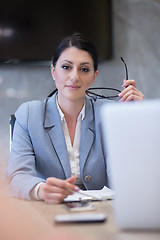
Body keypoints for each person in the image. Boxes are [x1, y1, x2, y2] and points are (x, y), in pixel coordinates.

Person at [6, 33, 144, 204]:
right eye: (66, 67)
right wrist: (40, 190)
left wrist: (137, 122)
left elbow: (129, 177)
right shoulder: (28, 114)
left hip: (103, 212)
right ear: (53, 71)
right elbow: (16, 177)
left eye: (84, 69)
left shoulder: (110, 115)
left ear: (94, 76)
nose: (74, 77)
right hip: (48, 211)